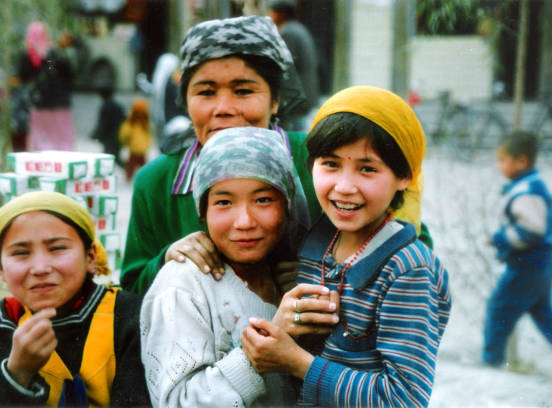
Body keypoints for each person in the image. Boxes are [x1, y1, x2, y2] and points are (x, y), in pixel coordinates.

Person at [240, 86, 452, 407]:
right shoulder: (319, 239)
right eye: (330, 164)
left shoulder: (407, 269)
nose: (344, 187)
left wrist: (296, 361)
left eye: (367, 168)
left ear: (404, 176)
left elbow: (405, 398)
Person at [120, 15, 318, 296]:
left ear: (275, 100)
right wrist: (167, 260)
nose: (223, 108)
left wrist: (317, 276)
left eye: (243, 91)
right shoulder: (156, 182)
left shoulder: (317, 164)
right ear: (186, 100)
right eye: (206, 92)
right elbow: (130, 293)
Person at [140, 127, 338, 407]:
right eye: (223, 202)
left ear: (287, 206)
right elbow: (179, 402)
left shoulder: (292, 280)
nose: (244, 221)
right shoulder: (183, 286)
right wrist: (261, 347)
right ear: (203, 209)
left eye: (263, 200)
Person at [0, 192, 150, 406]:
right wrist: (17, 373)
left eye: (57, 249)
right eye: (20, 253)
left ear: (91, 256)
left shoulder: (129, 316)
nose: (40, 268)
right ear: (0, 267)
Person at [482, 131, 552, 367]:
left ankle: (492, 363)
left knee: (499, 309)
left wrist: (499, 239)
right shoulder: (529, 186)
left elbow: (530, 231)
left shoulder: (526, 192)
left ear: (521, 162)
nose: (499, 166)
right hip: (542, 265)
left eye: (502, 160)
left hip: (528, 266)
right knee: (545, 315)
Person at [18, 21, 75, 151]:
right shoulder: (54, 54)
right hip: (57, 105)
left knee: (43, 143)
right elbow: (68, 76)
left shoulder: (29, 55)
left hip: (41, 105)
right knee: (60, 142)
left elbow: (24, 78)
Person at [269, 0, 320, 131]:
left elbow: (283, 64)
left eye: (272, 11)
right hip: (305, 92)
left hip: (297, 94)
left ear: (282, 14)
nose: (270, 15)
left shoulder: (289, 32)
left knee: (296, 132)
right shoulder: (298, 28)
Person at [119, 98, 153, 181]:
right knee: (132, 165)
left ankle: (137, 177)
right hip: (135, 149)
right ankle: (130, 177)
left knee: (138, 165)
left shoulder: (142, 122)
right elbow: (124, 133)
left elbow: (124, 133)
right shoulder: (133, 122)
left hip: (139, 149)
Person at [91, 84, 126, 165]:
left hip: (109, 138)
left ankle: (128, 169)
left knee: (108, 158)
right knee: (112, 157)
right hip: (118, 135)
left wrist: (96, 135)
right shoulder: (118, 105)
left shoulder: (105, 107)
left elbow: (103, 124)